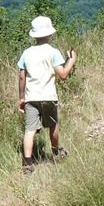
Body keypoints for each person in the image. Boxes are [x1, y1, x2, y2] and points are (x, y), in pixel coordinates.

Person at [17, 15, 77, 174]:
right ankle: (56, 152)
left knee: (29, 130)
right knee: (53, 125)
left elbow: (22, 76)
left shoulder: (26, 53)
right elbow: (63, 74)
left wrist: (21, 97)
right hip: (49, 96)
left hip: (31, 98)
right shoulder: (53, 52)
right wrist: (71, 61)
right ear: (50, 34)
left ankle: (28, 163)